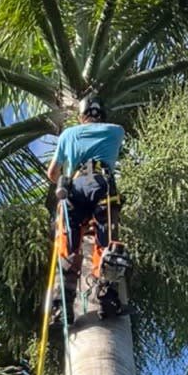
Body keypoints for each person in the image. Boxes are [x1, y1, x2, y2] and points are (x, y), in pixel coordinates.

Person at [46, 95, 128, 324]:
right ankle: (107, 299)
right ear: (101, 114)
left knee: (68, 246)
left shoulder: (67, 135)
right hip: (102, 185)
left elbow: (52, 174)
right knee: (107, 243)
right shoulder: (116, 131)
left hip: (73, 188)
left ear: (81, 116)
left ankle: (62, 308)